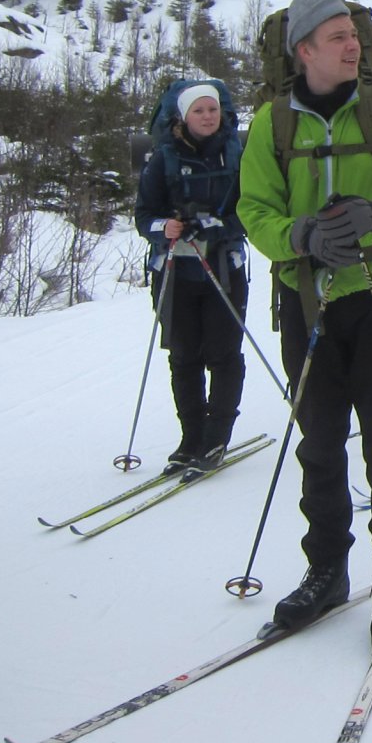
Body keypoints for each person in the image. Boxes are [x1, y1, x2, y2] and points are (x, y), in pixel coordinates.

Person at [237, 0, 372, 647]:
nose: (353, 46)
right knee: (319, 443)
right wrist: (301, 236)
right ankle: (326, 570)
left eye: (354, 34)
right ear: (304, 50)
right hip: (307, 301)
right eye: (338, 37)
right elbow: (253, 209)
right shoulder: (271, 124)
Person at [134, 83, 248, 475]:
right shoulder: (163, 158)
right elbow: (143, 216)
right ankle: (191, 438)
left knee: (223, 354)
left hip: (224, 267)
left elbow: (253, 209)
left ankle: (216, 437)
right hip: (174, 271)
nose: (207, 116)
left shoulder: (237, 152)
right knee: (184, 357)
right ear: (183, 116)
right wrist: (163, 227)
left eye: (212, 109)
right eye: (198, 110)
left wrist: (218, 226)